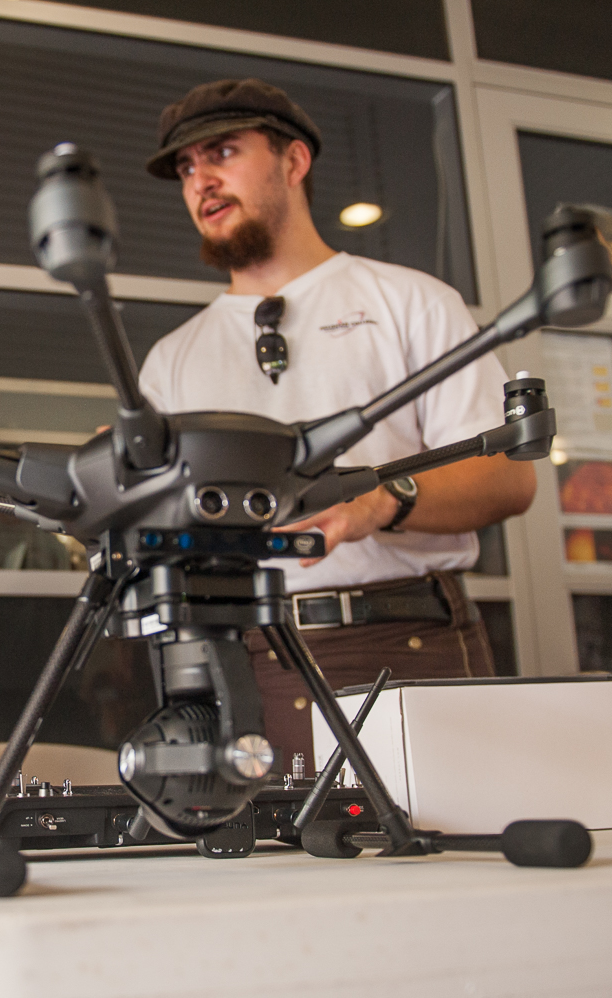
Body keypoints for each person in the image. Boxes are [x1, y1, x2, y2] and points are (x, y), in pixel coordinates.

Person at [136, 79, 536, 764]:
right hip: (247, 662)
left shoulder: (410, 301)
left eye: (223, 152)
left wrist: (384, 499)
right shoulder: (171, 360)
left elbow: (508, 478)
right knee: (270, 871)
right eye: (185, 167)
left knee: (451, 862)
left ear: (294, 163)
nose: (200, 179)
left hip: (408, 640)